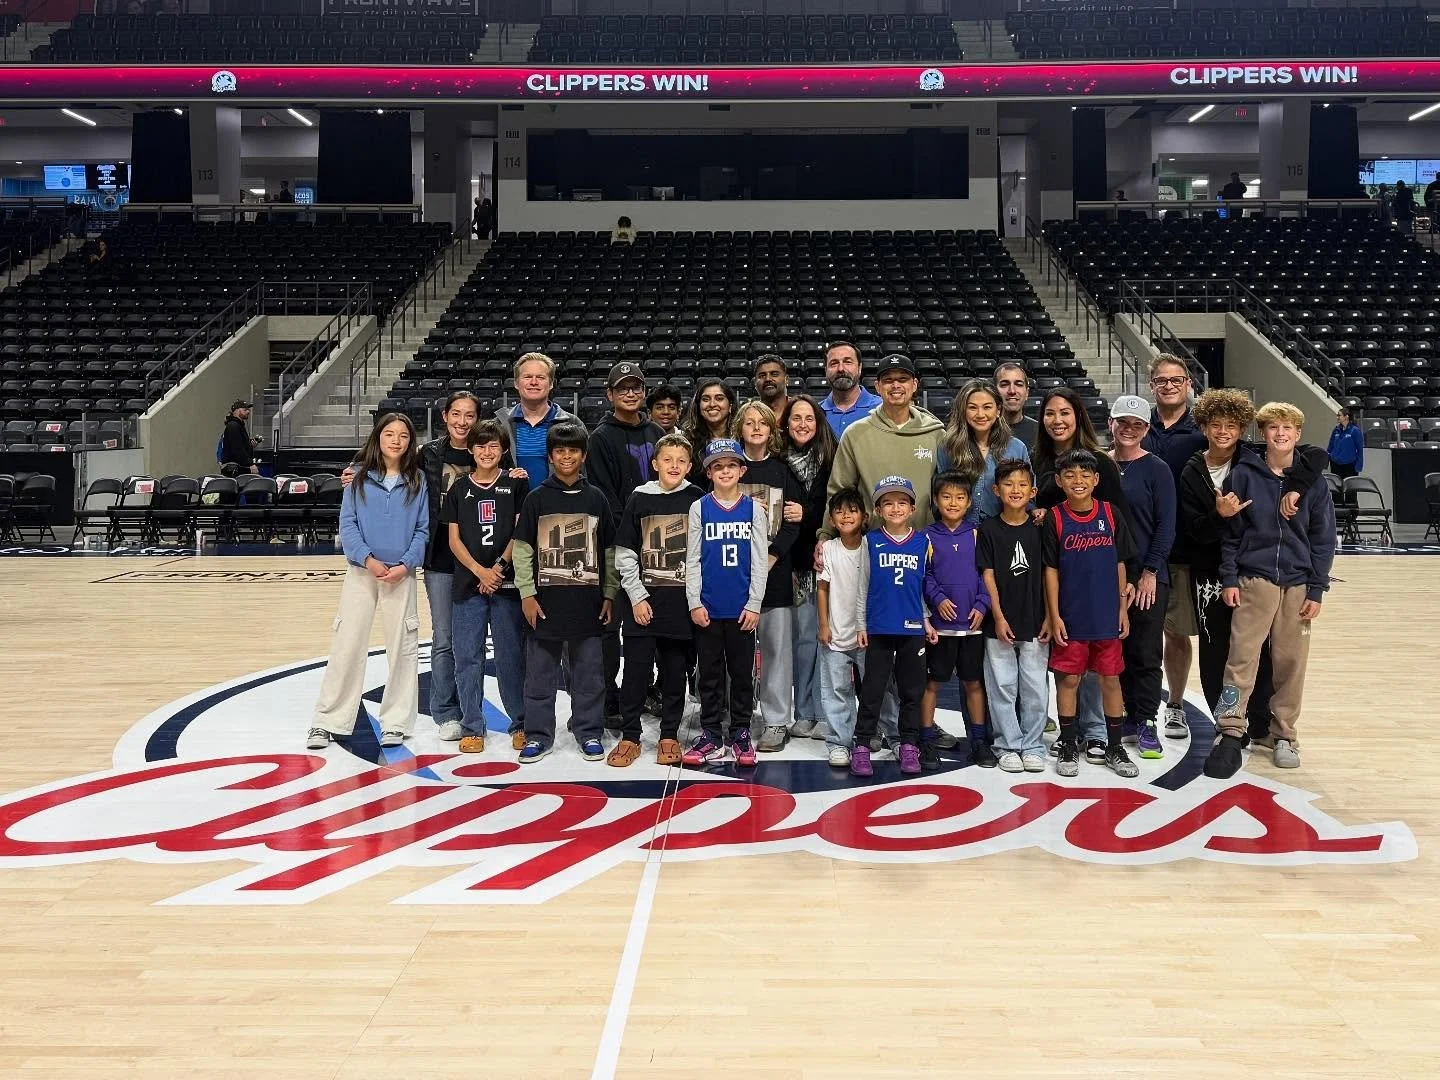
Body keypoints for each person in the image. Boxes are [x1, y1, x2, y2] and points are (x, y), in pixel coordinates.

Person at [1206, 402, 1336, 778]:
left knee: (1290, 663)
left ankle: (1284, 735)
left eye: (1288, 428)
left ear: (1298, 434)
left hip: (1297, 584)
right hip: (1254, 579)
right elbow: (1232, 534)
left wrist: (1317, 588)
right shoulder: (1243, 474)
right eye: (1273, 428)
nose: (1280, 434)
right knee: (1242, 657)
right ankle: (1230, 728)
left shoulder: (1312, 482)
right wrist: (1230, 578)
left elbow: (1323, 539)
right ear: (1263, 434)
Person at [307, 413, 429, 751]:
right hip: (363, 573)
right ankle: (327, 721)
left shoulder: (418, 481)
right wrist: (368, 559)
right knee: (347, 644)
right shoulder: (358, 479)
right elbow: (348, 525)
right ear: (378, 438)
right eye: (389, 434)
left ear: (410, 442)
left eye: (403, 436)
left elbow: (422, 530)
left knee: (403, 649)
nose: (396, 441)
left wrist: (406, 565)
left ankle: (396, 723)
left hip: (401, 575)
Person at [510, 421, 616, 763]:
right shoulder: (537, 499)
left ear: (583, 456)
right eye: (560, 451)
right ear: (551, 456)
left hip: (588, 604)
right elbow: (523, 549)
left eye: (573, 450)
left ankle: (588, 732)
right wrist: (527, 593)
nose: (566, 456)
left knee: (589, 676)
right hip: (544, 605)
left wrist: (610, 594)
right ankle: (538, 735)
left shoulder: (596, 498)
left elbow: (609, 551)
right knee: (539, 677)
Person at [1042, 448, 1139, 779]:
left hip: (1106, 615)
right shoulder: (1055, 517)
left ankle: (1114, 745)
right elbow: (1050, 570)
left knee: (1110, 679)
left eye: (1085, 475)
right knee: (1069, 679)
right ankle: (1068, 742)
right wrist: (1054, 615)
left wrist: (1123, 608)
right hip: (1071, 615)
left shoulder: (1110, 514)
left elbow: (1121, 563)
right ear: (1059, 481)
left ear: (1097, 479)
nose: (1078, 481)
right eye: (1069, 475)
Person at [613, 432, 704, 767]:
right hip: (642, 604)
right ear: (655, 463)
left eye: (681, 461)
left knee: (674, 672)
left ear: (690, 466)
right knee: (635, 672)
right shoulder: (640, 497)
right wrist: (636, 596)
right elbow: (625, 553)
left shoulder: (697, 498)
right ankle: (630, 736)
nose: (674, 466)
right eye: (668, 460)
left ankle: (669, 735)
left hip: (681, 605)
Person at [587, 360, 666, 728]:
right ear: (610, 394)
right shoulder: (601, 437)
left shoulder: (656, 432)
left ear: (644, 391)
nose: (630, 393)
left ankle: (646, 688)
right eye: (622, 388)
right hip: (618, 547)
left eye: (636, 387)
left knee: (644, 623)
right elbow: (605, 498)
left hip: (657, 548)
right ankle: (608, 698)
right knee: (610, 625)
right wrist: (629, 542)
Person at [684, 438, 770, 767]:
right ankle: (710, 733)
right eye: (717, 466)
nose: (724, 471)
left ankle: (740, 732)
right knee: (709, 673)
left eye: (731, 465)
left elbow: (759, 561)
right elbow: (692, 559)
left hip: (741, 609)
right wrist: (694, 600)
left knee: (742, 674)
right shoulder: (699, 507)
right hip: (707, 606)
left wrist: (754, 604)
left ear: (742, 470)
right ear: (708, 472)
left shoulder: (752, 509)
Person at [446, 419, 529, 754]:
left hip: (506, 585)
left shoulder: (516, 484)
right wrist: (480, 571)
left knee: (511, 657)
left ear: (504, 450)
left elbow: (520, 531)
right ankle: (472, 725)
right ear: (471, 450)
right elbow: (453, 539)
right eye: (480, 445)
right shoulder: (458, 488)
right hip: (469, 584)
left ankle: (520, 723)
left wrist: (497, 569)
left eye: (493, 445)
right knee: (468, 657)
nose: (486, 451)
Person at [1137, 355, 1206, 740]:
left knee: (1175, 633)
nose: (1168, 386)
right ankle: (1138, 702)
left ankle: (1176, 705)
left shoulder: (1202, 430)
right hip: (1139, 553)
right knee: (1138, 633)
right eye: (1161, 380)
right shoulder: (1138, 426)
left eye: (1175, 380)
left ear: (1188, 384)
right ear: (1151, 386)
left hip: (1181, 551)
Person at [850, 476, 936, 778]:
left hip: (912, 626)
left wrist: (926, 620)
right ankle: (861, 744)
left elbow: (922, 587)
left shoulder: (923, 542)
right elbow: (863, 586)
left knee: (912, 690)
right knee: (873, 687)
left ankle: (909, 743)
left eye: (902, 502)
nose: (895, 508)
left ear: (912, 508)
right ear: (877, 510)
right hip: (879, 625)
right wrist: (861, 623)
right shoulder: (870, 541)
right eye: (888, 503)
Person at [1108, 394, 1176, 761]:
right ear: (1111, 424)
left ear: (1147, 429)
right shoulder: (1101, 467)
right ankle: (1120, 718)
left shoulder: (1157, 469)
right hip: (1109, 576)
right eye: (1123, 423)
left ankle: (1146, 719)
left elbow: (1167, 526)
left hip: (1149, 575)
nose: (1129, 429)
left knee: (1146, 651)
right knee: (1114, 649)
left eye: (1137, 424)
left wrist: (1149, 572)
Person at [732, 400, 803, 752]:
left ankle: (776, 721)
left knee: (776, 650)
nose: (756, 428)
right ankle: (736, 717)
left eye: (763, 422)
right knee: (735, 652)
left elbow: (794, 522)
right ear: (739, 429)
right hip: (732, 578)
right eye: (749, 423)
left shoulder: (782, 471)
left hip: (773, 575)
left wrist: (773, 556)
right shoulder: (728, 468)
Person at [821, 353, 945, 540]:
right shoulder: (856, 434)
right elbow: (839, 490)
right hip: (870, 542)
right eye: (888, 380)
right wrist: (825, 535)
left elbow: (948, 491)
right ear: (877, 387)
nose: (896, 386)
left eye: (903, 379)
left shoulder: (935, 433)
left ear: (914, 385)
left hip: (923, 542)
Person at [977, 459, 1050, 774]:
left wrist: (1049, 615)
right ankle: (1007, 744)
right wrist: (998, 616)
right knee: (1003, 686)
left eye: (1022, 484)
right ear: (996, 490)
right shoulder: (989, 529)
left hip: (1036, 619)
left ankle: (1033, 745)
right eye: (1008, 484)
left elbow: (1050, 573)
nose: (1015, 490)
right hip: (1000, 624)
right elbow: (988, 576)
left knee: (1035, 687)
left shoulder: (1041, 526)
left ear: (1033, 491)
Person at [418, 391, 481, 742]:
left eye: (469, 415)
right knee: (443, 637)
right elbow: (390, 466)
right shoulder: (428, 453)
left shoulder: (485, 450)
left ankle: (472, 707)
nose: (462, 422)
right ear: (445, 416)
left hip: (476, 557)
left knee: (469, 639)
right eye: (456, 414)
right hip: (440, 556)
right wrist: (359, 472)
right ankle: (444, 710)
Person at [921, 471, 993, 771]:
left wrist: (982, 603)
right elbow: (924, 575)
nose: (953, 502)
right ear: (936, 501)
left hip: (972, 628)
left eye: (960, 497)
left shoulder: (977, 533)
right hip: (940, 627)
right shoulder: (926, 536)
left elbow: (987, 574)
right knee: (933, 684)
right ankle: (926, 740)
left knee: (974, 684)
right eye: (946, 496)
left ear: (968, 502)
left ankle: (978, 742)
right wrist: (937, 599)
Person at [780, 395, 835, 741]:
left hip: (828, 562)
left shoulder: (832, 461)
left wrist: (807, 517)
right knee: (802, 640)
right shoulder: (777, 463)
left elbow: (840, 509)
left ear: (819, 424)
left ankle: (825, 710)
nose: (803, 424)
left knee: (827, 638)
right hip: (794, 564)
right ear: (786, 424)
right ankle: (803, 711)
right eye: (796, 418)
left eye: (809, 418)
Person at [816, 487, 868, 768]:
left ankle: (884, 734)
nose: (846, 515)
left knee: (878, 687)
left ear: (864, 516)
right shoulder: (829, 549)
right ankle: (839, 742)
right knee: (837, 689)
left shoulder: (873, 546)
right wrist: (823, 624)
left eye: (852, 510)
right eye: (839, 511)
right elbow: (822, 589)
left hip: (867, 633)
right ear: (832, 521)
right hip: (836, 632)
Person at [938, 379, 1030, 523]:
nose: (980, 414)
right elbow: (939, 494)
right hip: (959, 534)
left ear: (998, 410)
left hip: (1002, 533)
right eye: (973, 407)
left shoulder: (1017, 448)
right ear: (963, 410)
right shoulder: (948, 448)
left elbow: (1028, 496)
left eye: (987, 407)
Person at [496, 352, 580, 485]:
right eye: (527, 376)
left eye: (540, 377)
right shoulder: (499, 424)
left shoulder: (572, 423)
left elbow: (583, 472)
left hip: (558, 502)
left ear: (551, 383)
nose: (534, 382)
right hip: (512, 503)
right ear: (516, 383)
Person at [680, 376, 737, 487]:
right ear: (698, 406)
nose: (712, 404)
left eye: (719, 398)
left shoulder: (743, 439)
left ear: (730, 406)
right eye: (705, 399)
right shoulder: (687, 443)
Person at [819, 340, 882, 437]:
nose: (841, 369)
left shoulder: (882, 408)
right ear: (826, 370)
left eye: (848, 362)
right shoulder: (816, 412)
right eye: (834, 363)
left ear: (859, 368)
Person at [993, 361, 1039, 447]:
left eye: (1018, 384)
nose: (1012, 391)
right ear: (994, 392)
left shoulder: (1040, 432)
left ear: (1027, 393)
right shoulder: (983, 431)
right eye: (1004, 384)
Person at [219, 399, 259, 477]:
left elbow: (239, 444)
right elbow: (237, 448)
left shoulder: (237, 425)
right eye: (245, 409)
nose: (248, 411)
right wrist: (250, 464)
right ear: (236, 411)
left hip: (238, 468)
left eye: (248, 409)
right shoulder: (233, 426)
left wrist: (249, 445)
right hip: (235, 469)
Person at [1327, 408, 1365, 480]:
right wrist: (1329, 457)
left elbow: (1360, 449)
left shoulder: (1355, 431)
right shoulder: (1336, 430)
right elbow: (1330, 446)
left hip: (1350, 466)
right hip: (1335, 465)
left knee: (1350, 490)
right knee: (1336, 490)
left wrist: (1358, 466)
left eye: (1339, 415)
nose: (1337, 417)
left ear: (1346, 417)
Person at [752, 353, 790, 422]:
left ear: (786, 379)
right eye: (762, 376)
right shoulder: (749, 415)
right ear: (755, 382)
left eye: (774, 374)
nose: (768, 379)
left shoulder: (799, 409)